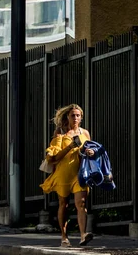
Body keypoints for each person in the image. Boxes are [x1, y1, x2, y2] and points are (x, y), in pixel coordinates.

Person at [40, 104, 94, 247]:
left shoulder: (85, 133)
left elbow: (89, 149)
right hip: (63, 174)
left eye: (78, 115)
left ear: (81, 118)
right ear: (67, 117)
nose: (75, 118)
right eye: (72, 115)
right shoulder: (61, 133)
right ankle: (64, 237)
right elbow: (54, 157)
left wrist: (90, 153)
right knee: (64, 204)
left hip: (80, 174)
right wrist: (71, 146)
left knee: (81, 204)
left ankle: (83, 235)